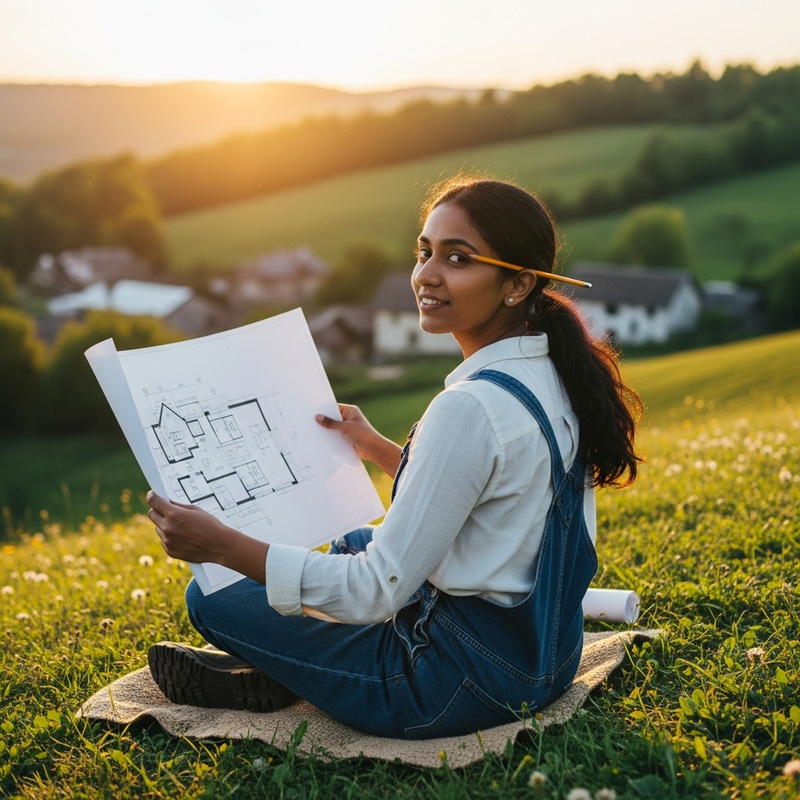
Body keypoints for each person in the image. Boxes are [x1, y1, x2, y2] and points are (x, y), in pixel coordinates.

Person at [145, 176, 641, 739]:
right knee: (353, 544)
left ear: (517, 284)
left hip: (445, 687)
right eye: (424, 252)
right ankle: (309, 668)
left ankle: (304, 673)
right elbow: (498, 493)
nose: (427, 275)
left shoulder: (469, 407)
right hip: (547, 658)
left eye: (458, 259)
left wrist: (223, 547)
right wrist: (379, 448)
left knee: (214, 594)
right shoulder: (552, 369)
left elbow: (374, 591)